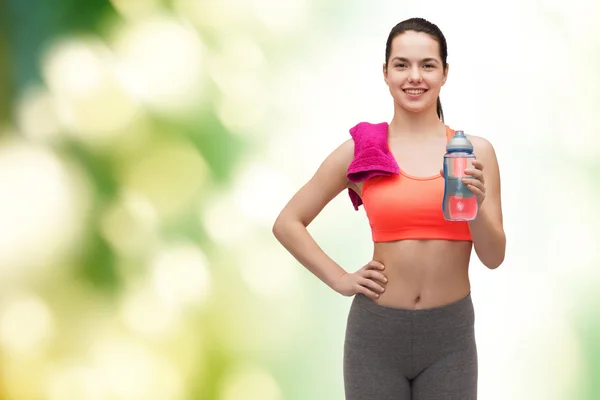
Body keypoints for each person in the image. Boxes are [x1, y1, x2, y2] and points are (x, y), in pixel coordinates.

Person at [272, 17, 505, 400]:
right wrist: (340, 278)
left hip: (450, 337)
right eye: (402, 64)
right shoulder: (363, 150)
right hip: (375, 335)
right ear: (385, 73)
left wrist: (476, 208)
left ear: (445, 73)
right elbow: (288, 222)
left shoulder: (474, 153)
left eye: (428, 65)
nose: (415, 76)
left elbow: (493, 257)